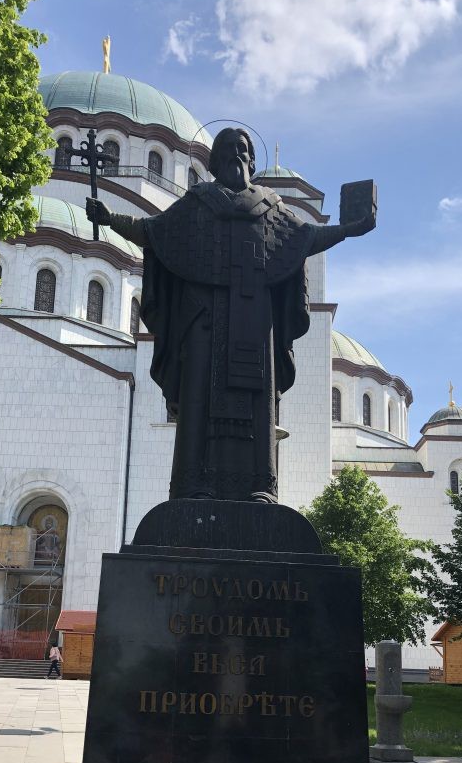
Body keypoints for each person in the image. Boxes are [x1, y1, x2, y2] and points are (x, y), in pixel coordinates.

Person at [86, 127, 375, 503]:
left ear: (252, 162)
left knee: (259, 402)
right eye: (228, 150)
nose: (236, 156)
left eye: (243, 150)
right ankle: (192, 485)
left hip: (254, 324)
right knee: (198, 397)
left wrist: (349, 230)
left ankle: (261, 486)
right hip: (201, 320)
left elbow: (305, 239)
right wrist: (110, 219)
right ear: (215, 162)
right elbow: (154, 232)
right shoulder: (197, 203)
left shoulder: (270, 208)